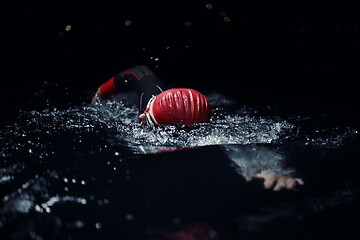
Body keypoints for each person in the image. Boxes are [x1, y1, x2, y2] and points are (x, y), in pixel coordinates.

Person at [92, 65, 303, 191]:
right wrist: (101, 94)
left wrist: (274, 171)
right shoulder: (152, 96)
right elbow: (137, 72)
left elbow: (243, 149)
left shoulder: (203, 136)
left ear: (145, 117)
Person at [92, 65, 211, 126]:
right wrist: (101, 93)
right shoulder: (151, 90)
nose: (141, 116)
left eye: (149, 119)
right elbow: (138, 71)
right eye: (147, 113)